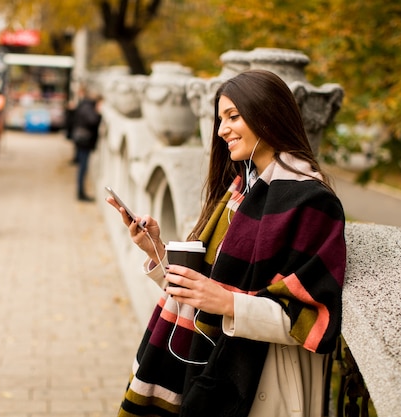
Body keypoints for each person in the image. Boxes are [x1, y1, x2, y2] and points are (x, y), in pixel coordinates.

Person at [107, 70, 347, 417]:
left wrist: (227, 303)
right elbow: (202, 287)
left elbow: (316, 317)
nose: (221, 130)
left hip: (261, 380)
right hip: (208, 365)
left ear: (268, 113)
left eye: (233, 116)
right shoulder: (238, 192)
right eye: (220, 119)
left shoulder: (310, 201)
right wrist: (156, 251)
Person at [70, 89, 102, 202]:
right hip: (85, 141)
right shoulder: (88, 108)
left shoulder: (83, 105)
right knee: (83, 168)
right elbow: (93, 120)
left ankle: (80, 192)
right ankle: (80, 193)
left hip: (81, 139)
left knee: (82, 167)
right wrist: (98, 113)